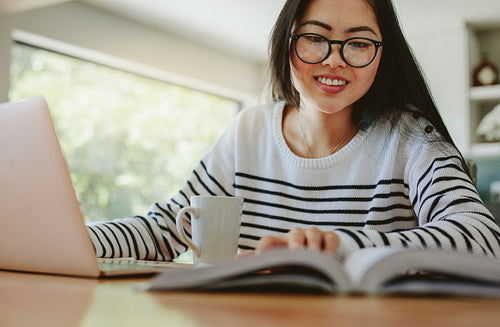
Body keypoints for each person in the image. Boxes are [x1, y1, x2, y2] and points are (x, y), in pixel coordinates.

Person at [87, 0, 500, 261]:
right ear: (287, 45)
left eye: (358, 43)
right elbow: (167, 229)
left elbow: (483, 239)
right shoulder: (248, 131)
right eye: (315, 38)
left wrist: (339, 248)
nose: (335, 60)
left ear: (381, 57)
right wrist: (76, 241)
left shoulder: (410, 138)